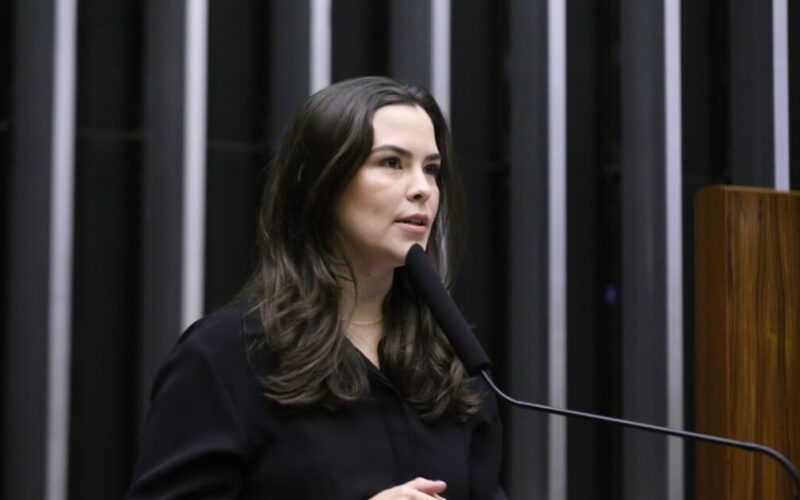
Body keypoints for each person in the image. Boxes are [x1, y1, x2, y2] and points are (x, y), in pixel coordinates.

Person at [127, 76, 505, 499]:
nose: (423, 189)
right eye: (391, 163)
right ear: (320, 183)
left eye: (431, 169)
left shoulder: (454, 363)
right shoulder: (224, 356)